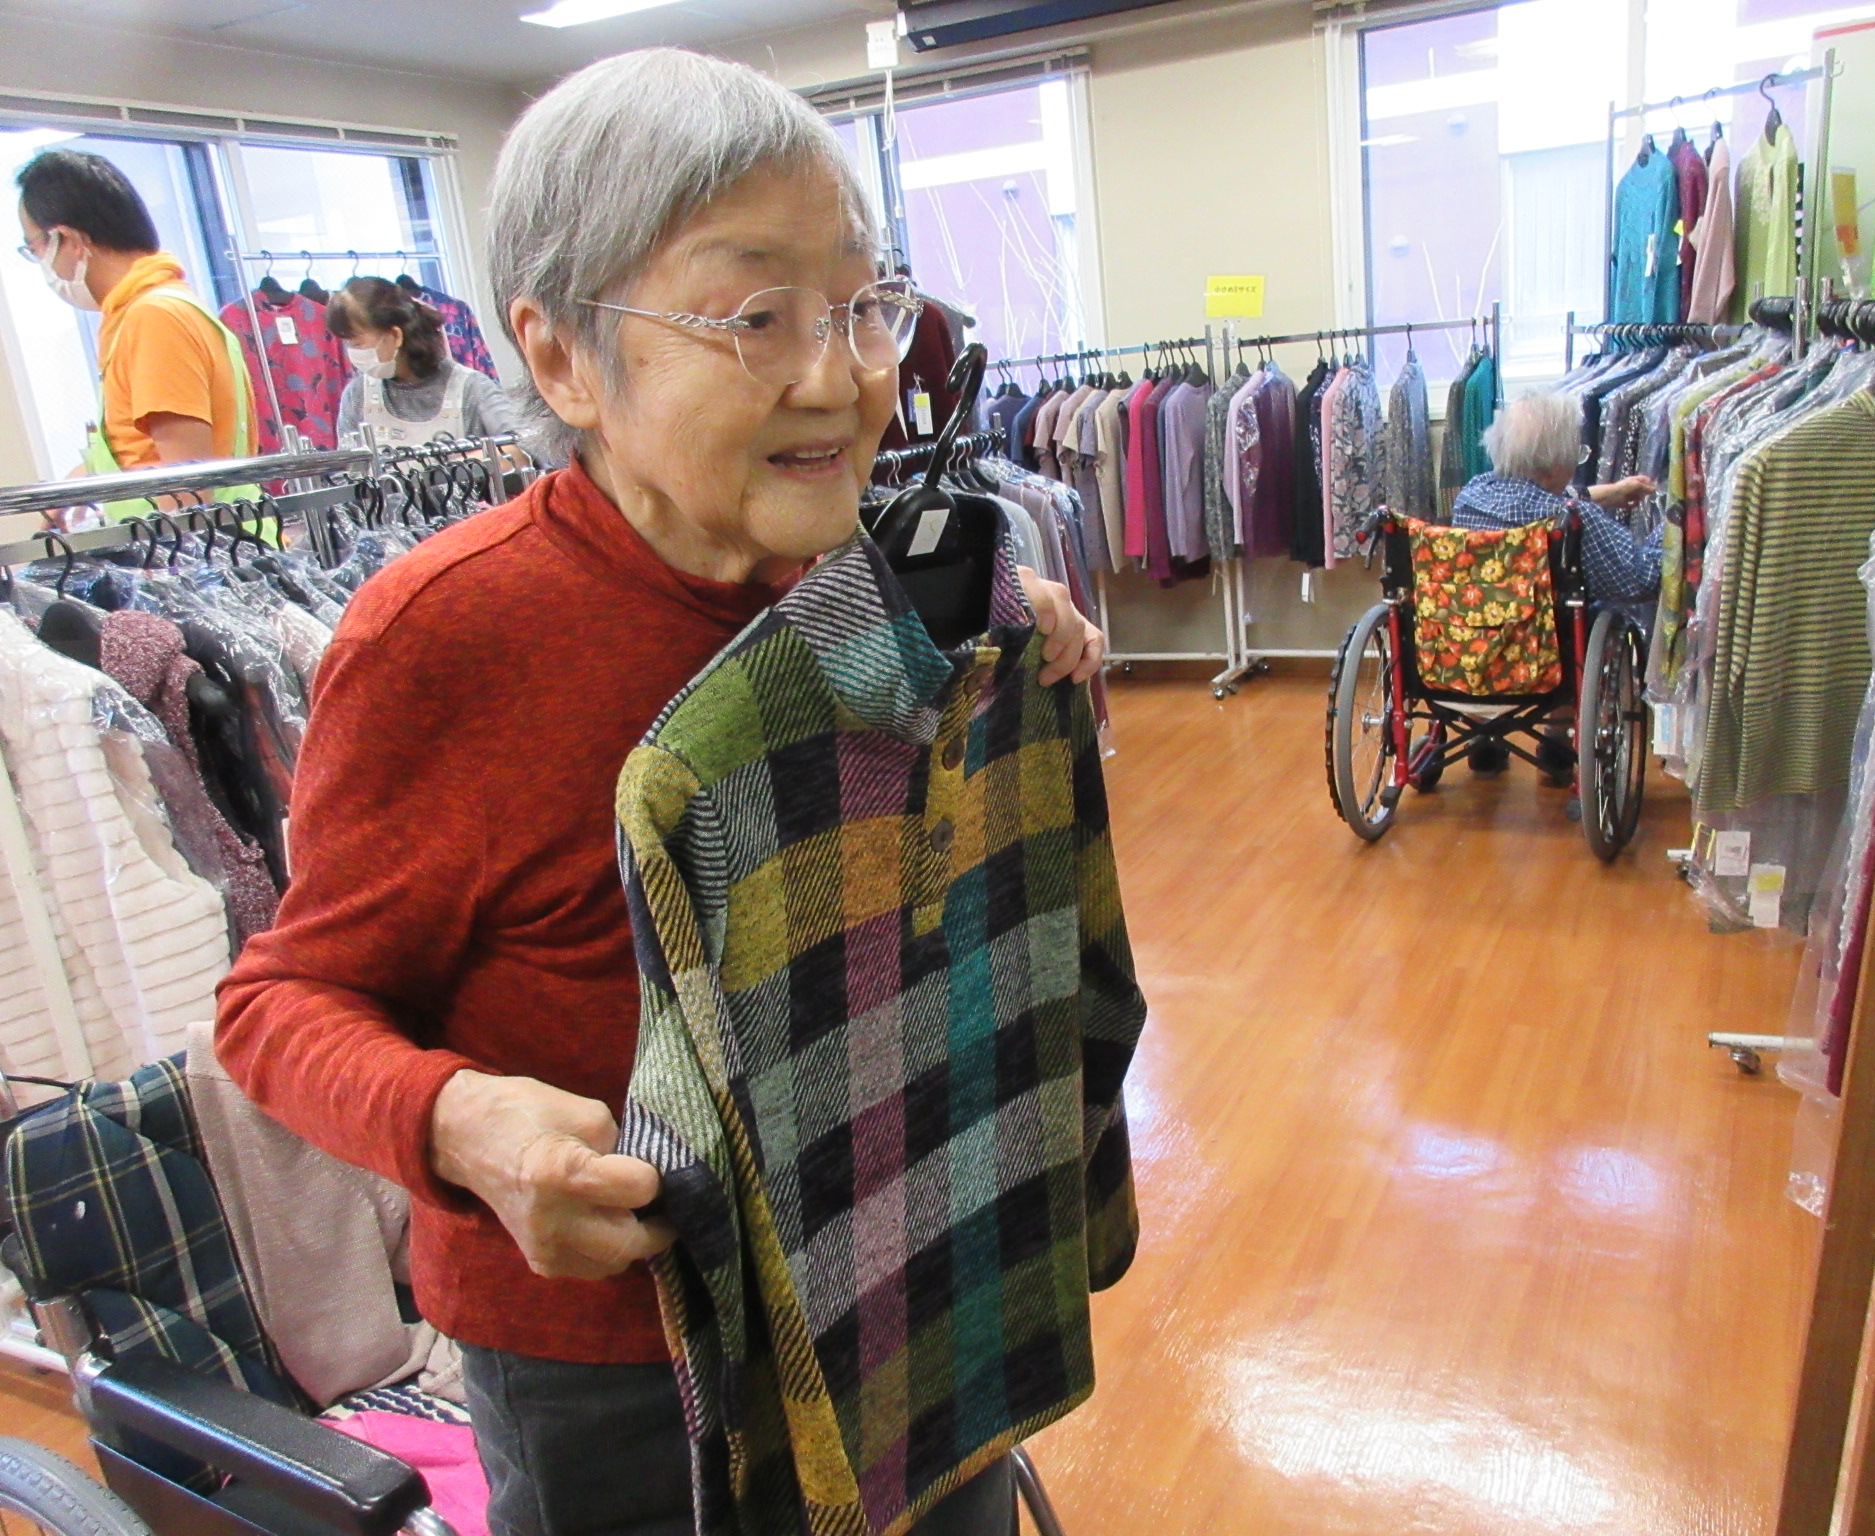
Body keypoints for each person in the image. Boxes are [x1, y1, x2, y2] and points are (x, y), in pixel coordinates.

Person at [213, 48, 1106, 1536]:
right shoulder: (449, 638)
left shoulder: (865, 569)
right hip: (623, 1368)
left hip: (903, 1262)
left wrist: (1019, 627)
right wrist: (463, 1122)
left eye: (861, 307)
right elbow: (276, 1005)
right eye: (756, 317)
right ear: (563, 357)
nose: (839, 376)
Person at [15, 149, 257, 507]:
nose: (40, 262)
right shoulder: (147, 310)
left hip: (194, 539)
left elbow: (188, 493)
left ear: (68, 240)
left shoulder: (154, 318)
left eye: (33, 247)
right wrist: (75, 489)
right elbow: (142, 451)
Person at [1449, 390, 1660, 776]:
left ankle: (1483, 736)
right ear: (1556, 463)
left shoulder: (1470, 496)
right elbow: (1639, 580)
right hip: (1543, 658)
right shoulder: (1575, 519)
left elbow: (1531, 499)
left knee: (1491, 606)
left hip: (1469, 648)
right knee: (1582, 613)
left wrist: (1606, 494)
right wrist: (1673, 524)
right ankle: (1556, 738)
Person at [327, 276, 524, 449]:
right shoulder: (357, 395)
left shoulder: (471, 388)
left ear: (395, 335)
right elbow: (349, 471)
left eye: (356, 343)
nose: (351, 352)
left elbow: (527, 448)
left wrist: (478, 459)